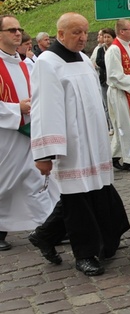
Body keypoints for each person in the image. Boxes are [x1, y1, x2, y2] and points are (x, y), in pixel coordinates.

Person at [29, 12, 130, 276]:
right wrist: (45, 152)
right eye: (76, 32)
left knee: (96, 193)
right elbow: (45, 109)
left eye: (85, 32)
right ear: (60, 34)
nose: (82, 37)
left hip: (94, 142)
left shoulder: (85, 59)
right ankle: (84, 253)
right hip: (71, 146)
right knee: (77, 201)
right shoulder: (47, 62)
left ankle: (46, 235)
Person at [0, 15, 59, 251]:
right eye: (11, 29)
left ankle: (50, 227)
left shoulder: (28, 64)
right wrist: (17, 109)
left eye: (19, 29)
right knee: (5, 183)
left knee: (39, 180)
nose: (17, 33)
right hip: (5, 136)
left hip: (31, 133)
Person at [105, 19, 130, 171]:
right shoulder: (114, 49)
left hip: (128, 90)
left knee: (128, 124)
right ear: (122, 32)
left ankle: (116, 155)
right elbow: (113, 75)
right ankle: (128, 160)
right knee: (123, 125)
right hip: (119, 92)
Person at [96, 28, 117, 134]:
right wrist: (108, 62)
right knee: (106, 105)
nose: (106, 39)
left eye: (108, 37)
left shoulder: (116, 49)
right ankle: (111, 126)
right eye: (104, 37)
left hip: (114, 81)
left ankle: (117, 124)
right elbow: (98, 61)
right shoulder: (101, 50)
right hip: (104, 80)